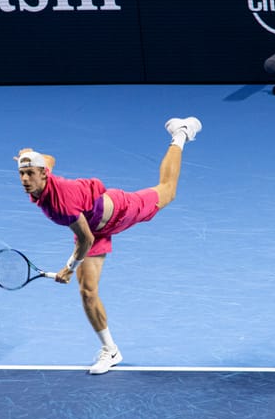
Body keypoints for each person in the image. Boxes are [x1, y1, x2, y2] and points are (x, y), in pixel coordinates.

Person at [16, 116, 202, 374]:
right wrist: (29, 155)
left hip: (118, 212)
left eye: (30, 174)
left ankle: (181, 133)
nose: (25, 179)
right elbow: (49, 159)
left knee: (167, 190)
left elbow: (85, 240)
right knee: (87, 292)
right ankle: (111, 350)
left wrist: (69, 268)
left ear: (44, 175)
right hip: (90, 225)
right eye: (22, 173)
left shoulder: (60, 207)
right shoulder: (43, 170)